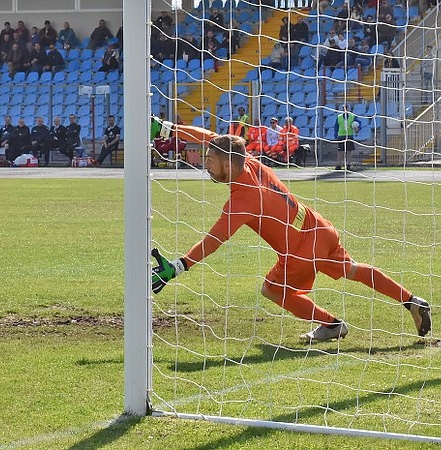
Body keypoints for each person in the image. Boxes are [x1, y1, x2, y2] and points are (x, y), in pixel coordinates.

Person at [149, 119, 431, 342]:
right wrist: (169, 129)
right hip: (318, 227)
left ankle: (331, 324)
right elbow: (207, 136)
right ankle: (411, 301)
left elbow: (213, 240)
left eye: (209, 161)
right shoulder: (247, 160)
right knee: (354, 270)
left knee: (272, 290)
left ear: (225, 164)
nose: (204, 164)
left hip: (298, 250)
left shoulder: (242, 200)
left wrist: (178, 266)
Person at [336, 104, 357, 170]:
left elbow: (358, 123)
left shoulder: (352, 116)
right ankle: (339, 164)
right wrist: (335, 135)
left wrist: (357, 128)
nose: (345, 110)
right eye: (343, 108)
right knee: (340, 151)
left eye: (346, 108)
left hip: (349, 135)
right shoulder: (339, 117)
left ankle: (348, 164)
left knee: (349, 151)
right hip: (341, 135)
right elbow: (336, 127)